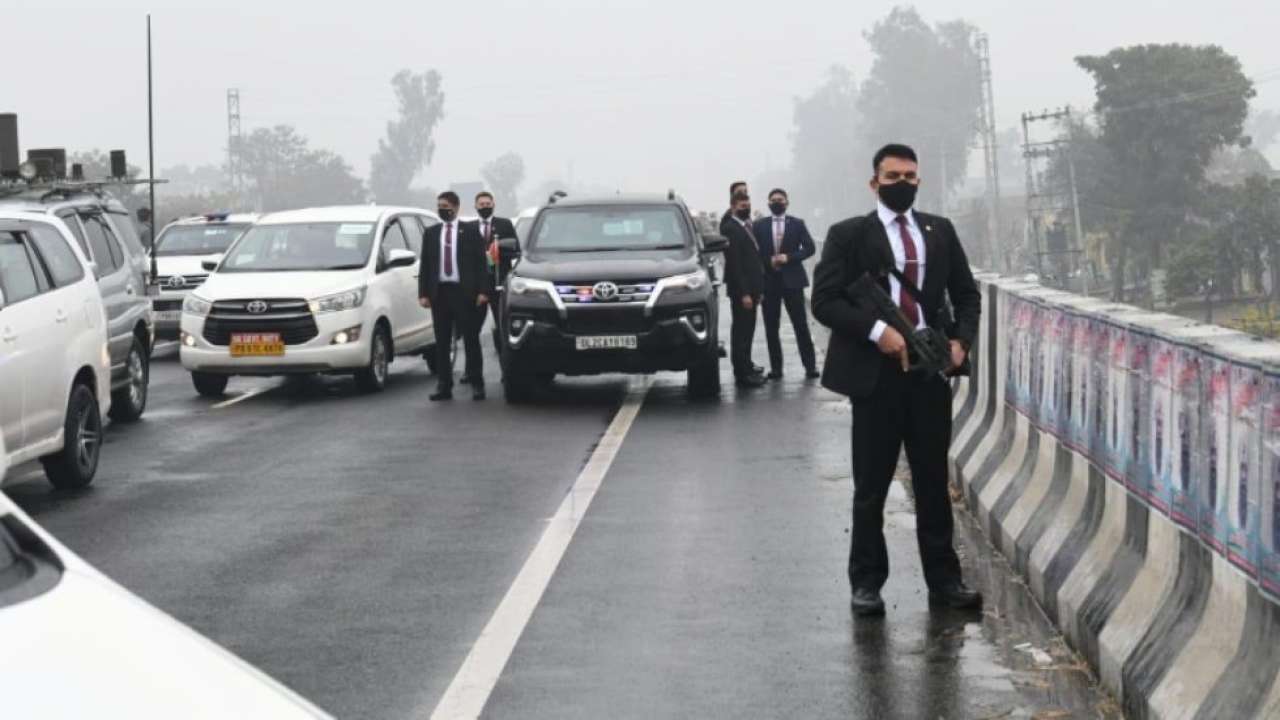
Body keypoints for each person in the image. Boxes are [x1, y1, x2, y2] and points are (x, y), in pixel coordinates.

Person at [811, 143, 983, 616]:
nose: (902, 183)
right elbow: (823, 301)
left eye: (910, 176)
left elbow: (967, 295)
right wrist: (876, 331)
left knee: (932, 482)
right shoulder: (848, 236)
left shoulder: (940, 231)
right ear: (874, 182)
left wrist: (960, 343)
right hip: (876, 377)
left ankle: (945, 583)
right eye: (892, 176)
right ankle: (866, 583)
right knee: (872, 486)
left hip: (928, 375)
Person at [418, 191, 492, 401]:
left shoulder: (470, 231)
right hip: (440, 293)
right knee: (442, 342)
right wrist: (423, 293)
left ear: (456, 207)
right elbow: (426, 264)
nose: (442, 209)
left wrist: (483, 291)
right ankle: (444, 385)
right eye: (439, 206)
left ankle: (477, 383)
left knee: (470, 339)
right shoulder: (431, 233)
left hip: (465, 293)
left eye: (445, 206)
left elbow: (481, 264)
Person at [753, 189, 819, 380]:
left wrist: (789, 257)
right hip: (769, 282)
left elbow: (810, 248)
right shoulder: (759, 225)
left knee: (801, 325)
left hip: (793, 281)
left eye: (780, 200)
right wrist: (769, 261)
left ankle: (810, 366)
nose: (776, 203)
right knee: (771, 328)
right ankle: (776, 369)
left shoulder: (797, 224)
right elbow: (754, 254)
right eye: (773, 200)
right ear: (768, 203)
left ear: (787, 202)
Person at [468, 191, 519, 370]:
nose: (485, 207)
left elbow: (515, 250)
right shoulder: (469, 228)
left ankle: (506, 369)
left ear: (493, 204)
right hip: (477, 288)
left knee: (502, 331)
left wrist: (499, 249)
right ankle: (471, 371)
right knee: (472, 332)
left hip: (499, 284)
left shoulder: (504, 224)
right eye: (481, 204)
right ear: (475, 206)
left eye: (488, 203)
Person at [721, 191, 766, 389]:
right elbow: (735, 265)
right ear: (732, 207)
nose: (746, 208)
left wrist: (759, 289)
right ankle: (742, 374)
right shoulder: (731, 228)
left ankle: (747, 366)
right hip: (743, 291)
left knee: (748, 331)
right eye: (741, 206)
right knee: (741, 332)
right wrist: (745, 293)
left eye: (747, 205)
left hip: (754, 287)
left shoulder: (746, 226)